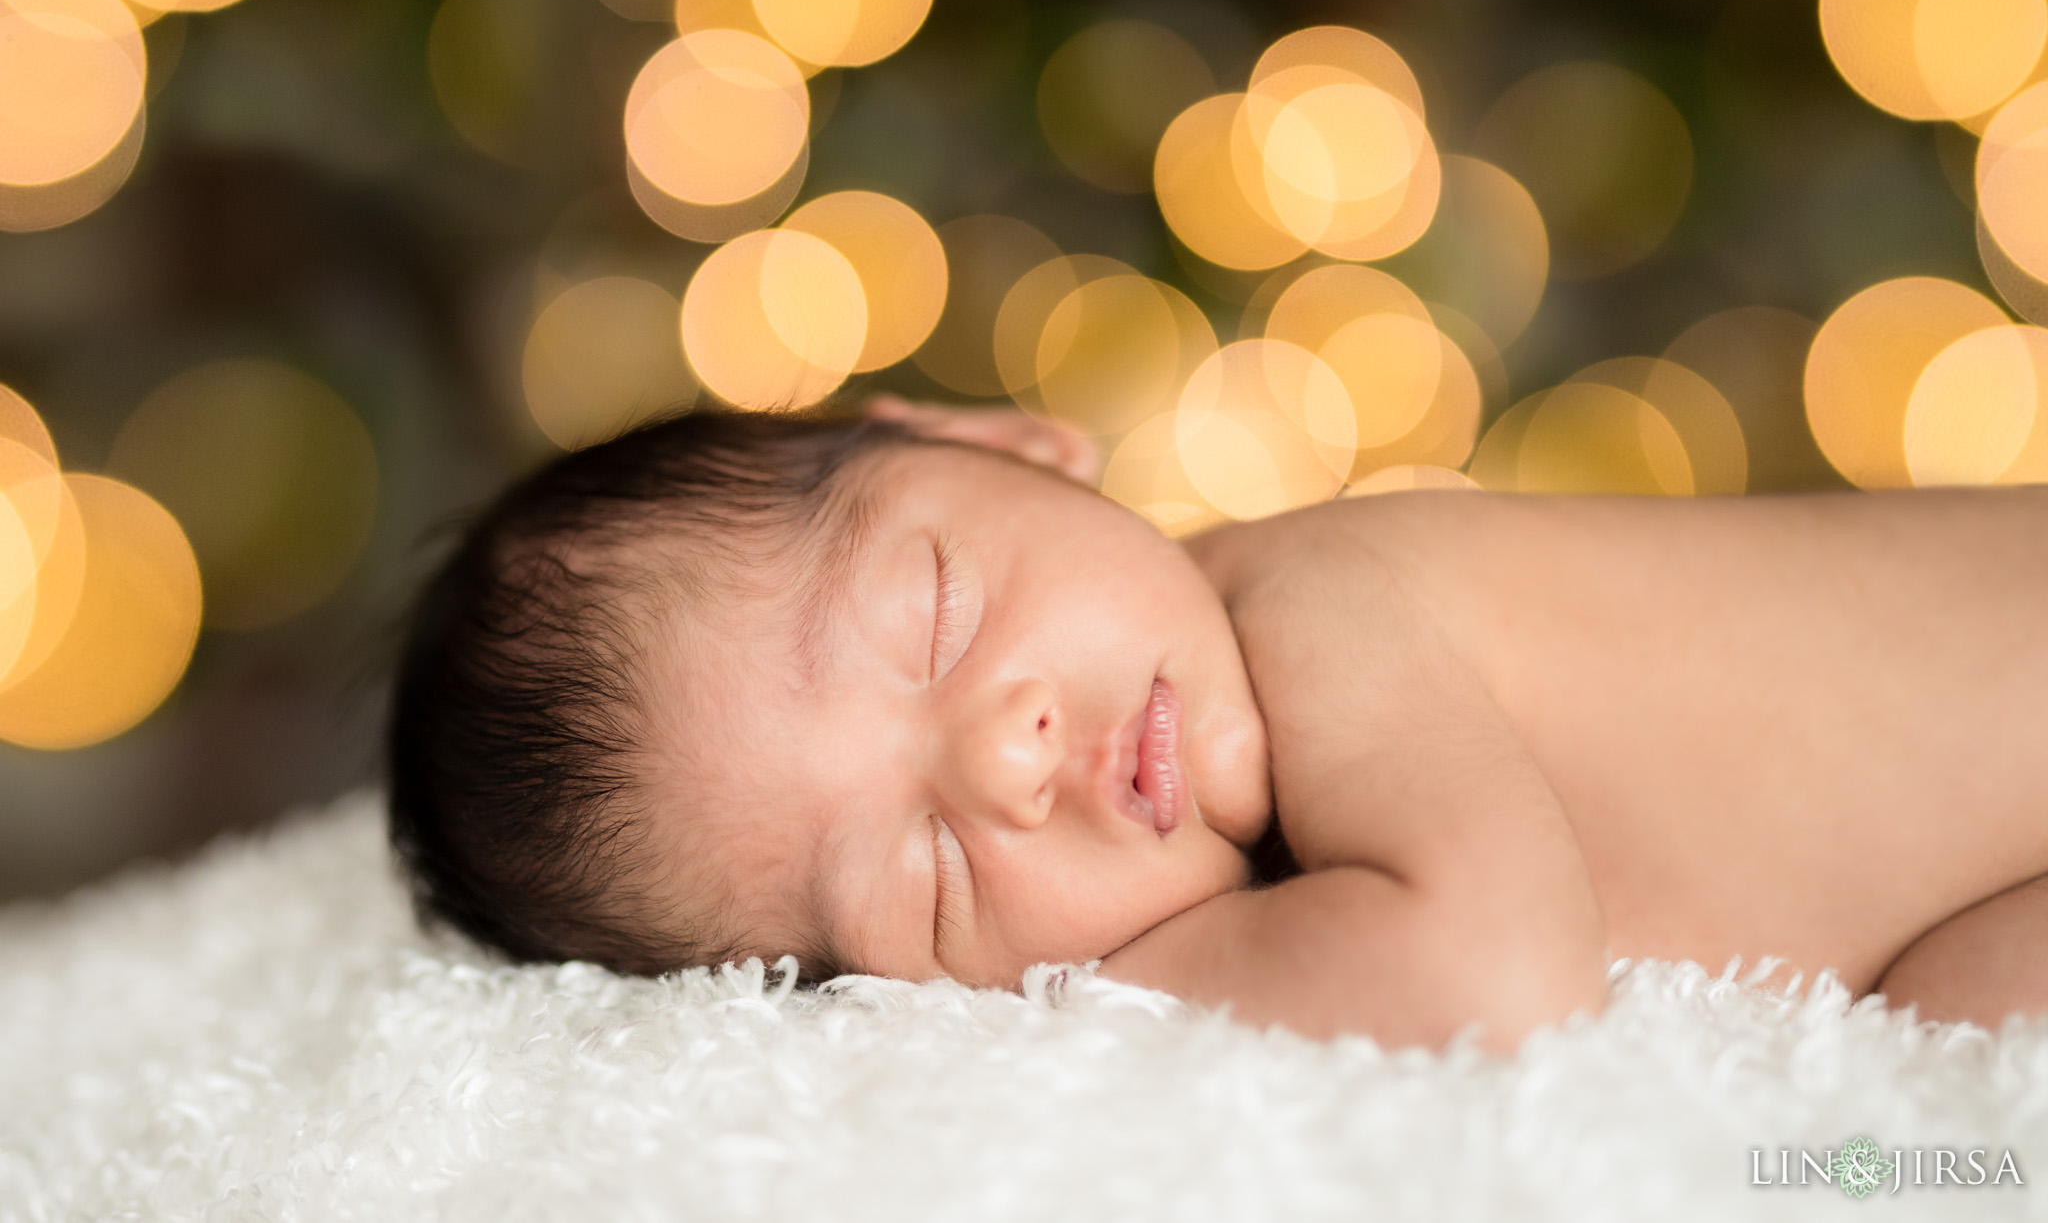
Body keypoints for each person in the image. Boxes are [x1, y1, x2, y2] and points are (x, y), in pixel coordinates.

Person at [387, 398, 2048, 1052]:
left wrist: (1118, 978)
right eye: (926, 875)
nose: (1006, 756)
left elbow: (1494, 980)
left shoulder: (1327, 593)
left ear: (1000, 441)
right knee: (1942, 1082)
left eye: (940, 607)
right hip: (1984, 880)